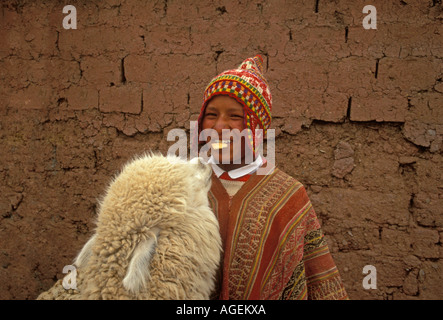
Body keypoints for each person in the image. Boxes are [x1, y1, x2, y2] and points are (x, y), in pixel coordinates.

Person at [194, 54, 348, 300]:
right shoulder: (181, 187)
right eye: (211, 115)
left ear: (256, 128)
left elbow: (319, 280)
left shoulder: (287, 197)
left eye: (235, 116)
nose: (220, 126)